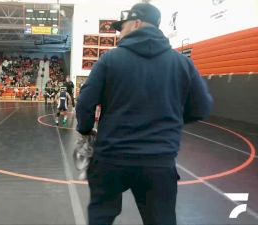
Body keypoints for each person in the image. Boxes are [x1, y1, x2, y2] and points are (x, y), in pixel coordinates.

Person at [75, 3, 213, 225]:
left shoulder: (110, 60)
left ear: (137, 23)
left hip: (112, 157)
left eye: (123, 26)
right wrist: (171, 121)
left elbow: (85, 103)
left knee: (101, 216)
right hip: (158, 161)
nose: (120, 32)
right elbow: (202, 108)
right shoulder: (182, 63)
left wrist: (85, 128)